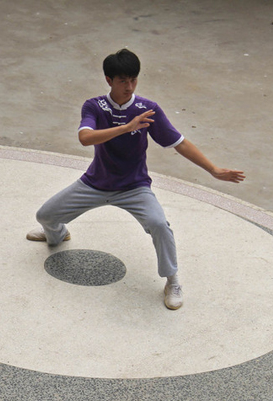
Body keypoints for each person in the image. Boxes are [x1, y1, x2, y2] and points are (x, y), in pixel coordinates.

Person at [27, 49, 245, 310]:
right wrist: (127, 127)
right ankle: (58, 235)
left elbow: (179, 143)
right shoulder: (94, 106)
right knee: (45, 216)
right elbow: (85, 137)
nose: (129, 86)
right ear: (109, 80)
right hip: (94, 183)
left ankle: (172, 279)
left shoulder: (148, 109)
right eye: (122, 81)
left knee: (160, 225)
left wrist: (213, 169)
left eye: (133, 80)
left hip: (134, 188)